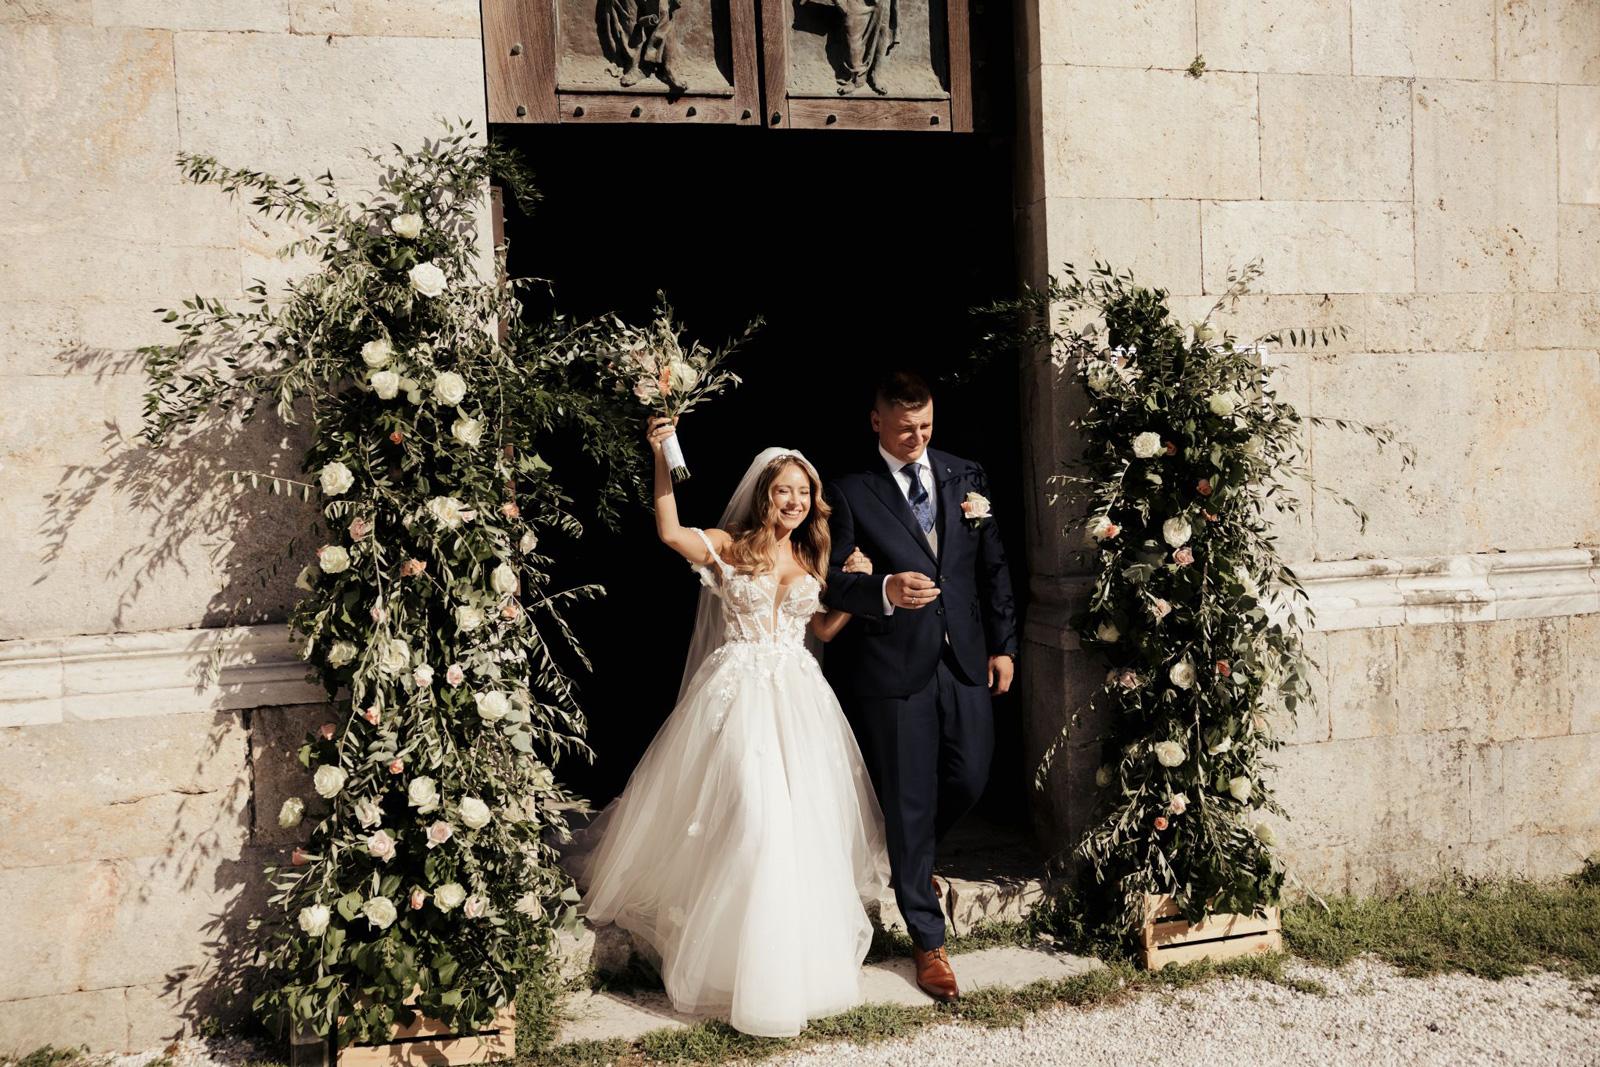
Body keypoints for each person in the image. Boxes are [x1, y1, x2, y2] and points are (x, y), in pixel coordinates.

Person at [574, 416, 890, 1038]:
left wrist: (856, 588)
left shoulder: (813, 555)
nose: (795, 501)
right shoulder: (731, 545)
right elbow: (669, 531)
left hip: (800, 699)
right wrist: (661, 456)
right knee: (753, 820)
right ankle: (737, 967)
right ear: (764, 493)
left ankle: (794, 971)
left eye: (804, 492)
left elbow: (822, 630)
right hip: (739, 694)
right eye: (784, 490)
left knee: (799, 828)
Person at [820, 370, 1018, 1003]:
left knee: (971, 774)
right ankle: (928, 941)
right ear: (876, 421)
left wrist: (1004, 646)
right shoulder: (850, 490)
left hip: (964, 658)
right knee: (908, 800)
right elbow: (827, 581)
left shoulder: (966, 475)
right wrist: (882, 588)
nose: (917, 438)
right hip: (893, 664)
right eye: (905, 428)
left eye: (926, 426)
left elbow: (993, 566)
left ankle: (913, 859)